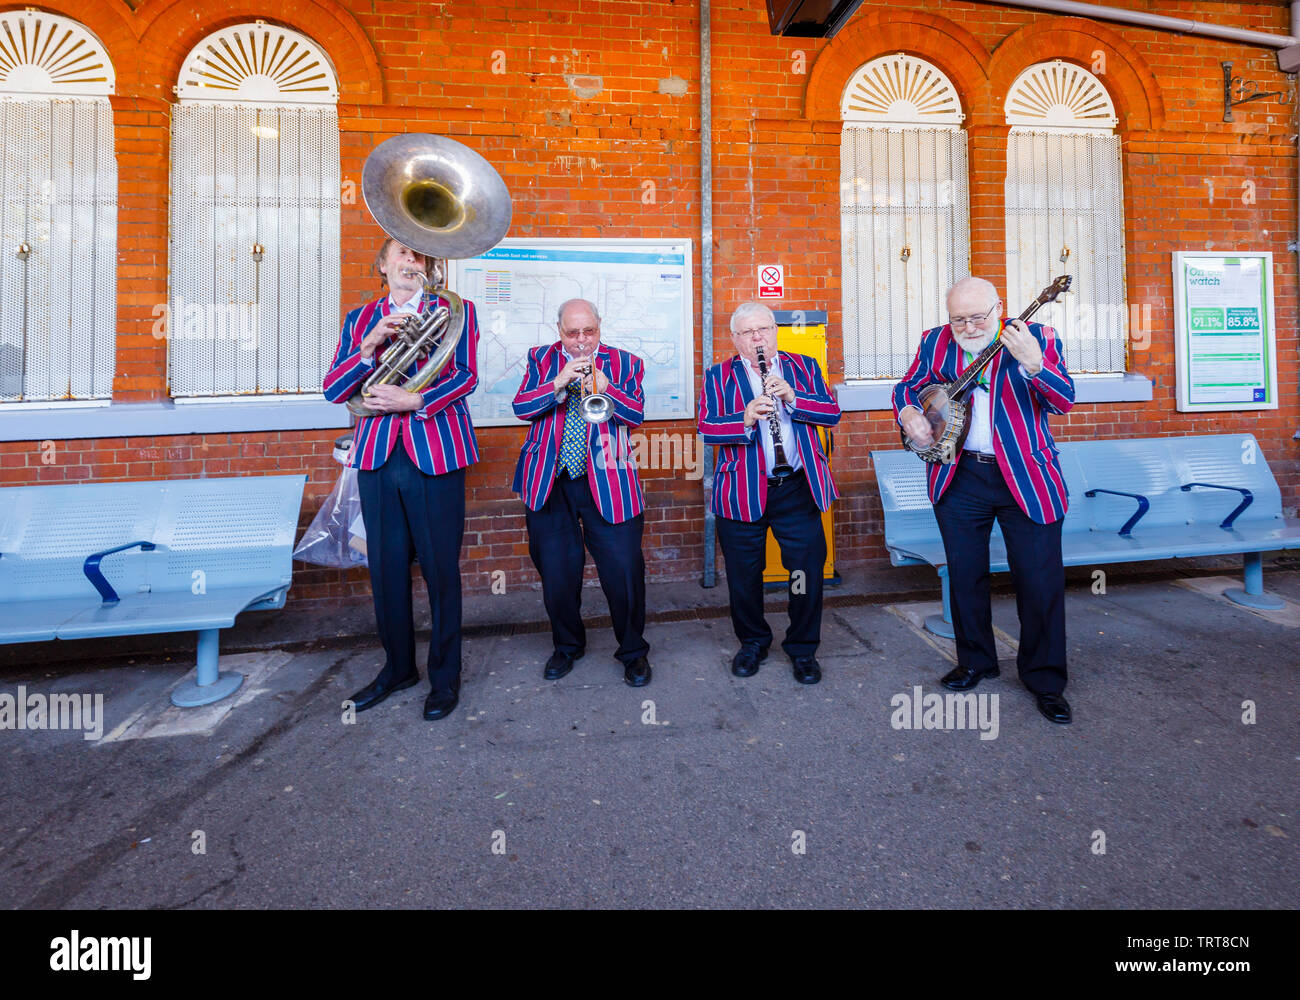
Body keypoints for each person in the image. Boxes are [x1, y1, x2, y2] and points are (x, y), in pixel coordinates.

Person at [893, 276, 1075, 724]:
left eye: (978, 317)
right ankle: (975, 660)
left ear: (999, 308)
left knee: (1039, 581)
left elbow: (1064, 401)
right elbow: (909, 385)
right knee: (965, 575)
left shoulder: (1038, 338)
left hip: (1024, 477)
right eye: (959, 318)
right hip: (960, 473)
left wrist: (1034, 364)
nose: (969, 326)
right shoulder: (935, 341)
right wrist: (909, 412)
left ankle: (1046, 680)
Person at [323, 239, 479, 721]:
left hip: (435, 452)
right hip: (376, 458)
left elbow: (468, 376)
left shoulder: (456, 310)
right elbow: (334, 390)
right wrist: (370, 344)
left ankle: (445, 676)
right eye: (403, 255)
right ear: (383, 265)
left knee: (439, 571)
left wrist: (417, 401)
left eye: (421, 256)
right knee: (386, 571)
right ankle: (397, 669)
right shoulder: (359, 319)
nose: (412, 263)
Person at [511, 298, 652, 687]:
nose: (581, 340)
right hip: (549, 482)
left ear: (599, 327)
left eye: (588, 331)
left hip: (608, 481)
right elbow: (521, 407)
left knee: (624, 571)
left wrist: (605, 387)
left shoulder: (627, 362)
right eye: (573, 333)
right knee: (557, 573)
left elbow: (635, 415)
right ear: (559, 331)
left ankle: (633, 651)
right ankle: (567, 646)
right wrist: (557, 382)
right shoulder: (540, 359)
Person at [698, 301, 841, 684]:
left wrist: (794, 398)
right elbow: (708, 428)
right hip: (742, 491)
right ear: (735, 339)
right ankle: (753, 643)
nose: (758, 337)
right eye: (748, 332)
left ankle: (802, 648)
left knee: (803, 573)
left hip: (795, 488)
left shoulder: (804, 367)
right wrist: (744, 418)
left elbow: (831, 413)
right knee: (744, 576)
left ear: (775, 331)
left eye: (764, 329)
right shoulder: (717, 377)